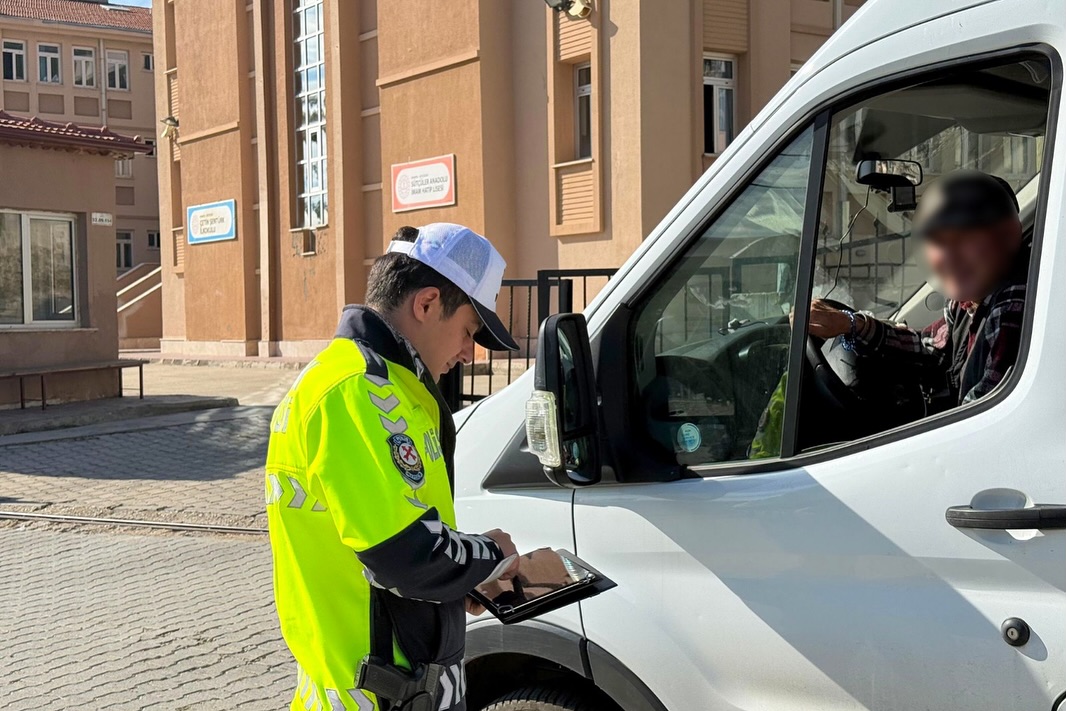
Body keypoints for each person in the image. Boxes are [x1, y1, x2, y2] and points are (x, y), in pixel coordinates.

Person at [266, 223, 522, 711]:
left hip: (402, 687)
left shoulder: (391, 390)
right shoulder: (355, 391)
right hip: (374, 694)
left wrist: (460, 579)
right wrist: (490, 555)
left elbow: (403, 545)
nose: (468, 353)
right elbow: (405, 556)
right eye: (469, 331)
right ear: (426, 304)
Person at [808, 169, 1028, 408]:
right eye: (937, 242)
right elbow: (931, 350)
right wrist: (851, 324)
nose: (946, 255)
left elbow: (980, 416)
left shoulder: (1010, 306)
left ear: (1006, 237)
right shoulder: (971, 301)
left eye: (965, 239)